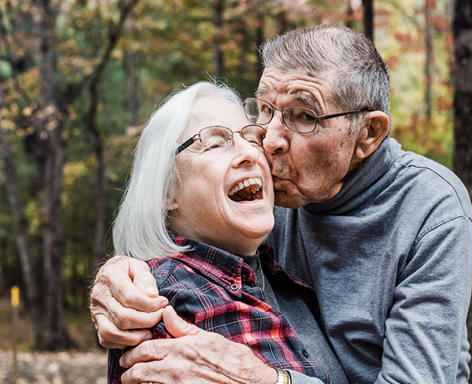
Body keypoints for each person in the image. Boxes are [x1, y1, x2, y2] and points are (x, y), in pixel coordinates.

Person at [91, 25, 472, 384]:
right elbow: (186, 227)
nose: (268, 139)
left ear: (368, 134)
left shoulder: (431, 209)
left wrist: (264, 380)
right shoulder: (270, 191)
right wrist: (125, 273)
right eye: (264, 109)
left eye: (304, 116)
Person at [105, 81, 347, 384]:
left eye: (252, 138)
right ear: (166, 191)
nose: (250, 153)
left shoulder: (282, 276)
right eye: (215, 143)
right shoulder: (165, 301)